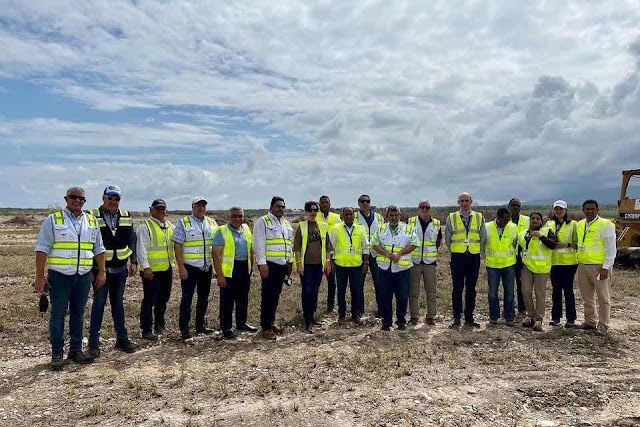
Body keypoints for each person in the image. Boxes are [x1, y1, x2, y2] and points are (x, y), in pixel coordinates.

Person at [35, 187, 106, 371]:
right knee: (58, 314)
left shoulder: (91, 220)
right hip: (59, 277)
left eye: (81, 198)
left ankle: (76, 350)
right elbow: (42, 248)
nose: (77, 201)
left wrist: (101, 271)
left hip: (83, 276)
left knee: (78, 313)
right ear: (66, 199)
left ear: (85, 201)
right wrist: (40, 276)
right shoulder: (53, 220)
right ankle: (57, 354)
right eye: (73, 197)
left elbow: (98, 248)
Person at [87, 185, 137, 357]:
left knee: (118, 305)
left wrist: (134, 261)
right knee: (99, 306)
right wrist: (93, 269)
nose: (114, 201)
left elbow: (132, 238)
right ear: (103, 198)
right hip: (101, 271)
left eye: (117, 199)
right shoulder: (91, 215)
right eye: (110, 198)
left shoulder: (125, 215)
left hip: (120, 270)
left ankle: (122, 339)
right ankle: (93, 344)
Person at [172, 196, 218, 340]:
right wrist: (181, 267)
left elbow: (217, 244)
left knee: (203, 298)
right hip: (190, 268)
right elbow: (177, 245)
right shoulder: (183, 222)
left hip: (206, 267)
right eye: (198, 205)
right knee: (187, 299)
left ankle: (200, 326)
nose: (201, 208)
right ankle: (184, 329)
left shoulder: (211, 222)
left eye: (203, 205)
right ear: (192, 207)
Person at [212, 207, 258, 340]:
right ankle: (226, 328)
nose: (237, 219)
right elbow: (215, 254)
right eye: (234, 216)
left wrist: (251, 268)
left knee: (243, 298)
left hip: (244, 268)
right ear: (229, 217)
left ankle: (241, 323)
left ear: (243, 217)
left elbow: (250, 249)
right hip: (229, 271)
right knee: (227, 301)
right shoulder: (222, 231)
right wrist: (219, 275)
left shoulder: (246, 229)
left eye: (240, 216)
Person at [253, 196, 294, 339]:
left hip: (283, 265)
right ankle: (265, 327)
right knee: (268, 296)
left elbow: (289, 244)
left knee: (276, 296)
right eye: (278, 206)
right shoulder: (263, 221)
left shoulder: (287, 224)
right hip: (269, 265)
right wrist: (262, 263)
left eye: (283, 206)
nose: (280, 209)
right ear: (271, 207)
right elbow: (258, 243)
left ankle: (271, 322)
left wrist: (290, 262)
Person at [371, 206, 418, 331]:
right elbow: (374, 244)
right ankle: (386, 322)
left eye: (396, 215)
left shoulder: (408, 228)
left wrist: (399, 254)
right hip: (384, 268)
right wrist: (387, 254)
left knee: (402, 296)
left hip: (402, 269)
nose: (394, 218)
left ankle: (401, 321)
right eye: (391, 215)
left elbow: (414, 243)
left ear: (400, 215)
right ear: (386, 216)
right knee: (385, 296)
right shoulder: (381, 229)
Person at [445, 192, 486, 328]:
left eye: (466, 200)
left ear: (471, 202)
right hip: (458, 256)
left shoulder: (479, 217)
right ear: (458, 203)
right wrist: (456, 250)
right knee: (457, 288)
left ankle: (469, 317)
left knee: (471, 288)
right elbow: (448, 238)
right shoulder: (451, 217)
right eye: (461, 201)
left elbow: (483, 236)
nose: (464, 203)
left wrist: (477, 250)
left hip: (473, 256)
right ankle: (456, 317)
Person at [575, 199, 616, 334]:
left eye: (592, 209)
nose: (590, 211)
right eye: (587, 209)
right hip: (583, 266)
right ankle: (590, 322)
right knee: (587, 297)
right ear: (583, 210)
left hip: (599, 267)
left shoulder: (606, 225)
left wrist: (606, 267)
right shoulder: (580, 224)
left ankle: (603, 325)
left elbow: (611, 248)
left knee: (603, 297)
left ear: (598, 210)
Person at [137, 199, 175, 340]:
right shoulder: (145, 227)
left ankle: (159, 323)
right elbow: (141, 249)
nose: (161, 211)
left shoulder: (169, 226)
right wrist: (146, 267)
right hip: (151, 271)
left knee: (163, 298)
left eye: (163, 209)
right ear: (151, 210)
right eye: (158, 208)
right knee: (149, 300)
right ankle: (146, 329)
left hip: (166, 269)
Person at [293, 201, 333, 333]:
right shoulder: (302, 226)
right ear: (306, 212)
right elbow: (297, 248)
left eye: (315, 210)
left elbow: (327, 247)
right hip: (306, 265)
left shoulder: (323, 226)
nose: (313, 212)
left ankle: (313, 317)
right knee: (307, 291)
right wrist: (299, 265)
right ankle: (307, 320)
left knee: (315, 291)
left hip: (318, 265)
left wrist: (327, 262)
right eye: (310, 210)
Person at [329, 207, 370, 326]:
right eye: (346, 214)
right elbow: (330, 247)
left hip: (356, 265)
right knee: (341, 291)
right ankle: (341, 314)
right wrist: (330, 263)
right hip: (340, 265)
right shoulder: (336, 229)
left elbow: (366, 247)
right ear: (342, 216)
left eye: (351, 214)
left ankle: (355, 314)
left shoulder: (361, 229)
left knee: (356, 291)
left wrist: (366, 263)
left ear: (354, 215)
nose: (348, 216)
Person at [519, 212, 557, 332]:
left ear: (541, 221)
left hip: (542, 268)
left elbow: (553, 245)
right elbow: (520, 248)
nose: (535, 220)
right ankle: (530, 315)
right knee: (525, 291)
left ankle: (539, 319)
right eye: (532, 218)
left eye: (537, 219)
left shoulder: (547, 231)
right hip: (527, 267)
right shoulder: (523, 234)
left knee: (540, 294)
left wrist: (541, 236)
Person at [406, 200, 442, 325]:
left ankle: (431, 316)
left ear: (430, 209)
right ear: (418, 208)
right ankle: (414, 316)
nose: (425, 209)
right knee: (413, 291)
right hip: (414, 262)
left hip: (430, 263)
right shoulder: (410, 222)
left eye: (427, 207)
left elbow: (438, 242)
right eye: (422, 207)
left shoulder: (436, 223)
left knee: (431, 291)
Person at [482, 207, 518, 327]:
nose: (507, 222)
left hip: (509, 265)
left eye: (508, 219)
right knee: (492, 293)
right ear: (498, 218)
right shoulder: (486, 227)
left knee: (509, 293)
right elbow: (482, 244)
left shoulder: (513, 227)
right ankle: (494, 316)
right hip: (492, 265)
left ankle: (509, 317)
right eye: (504, 219)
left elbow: (516, 244)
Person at [546, 200, 578, 328]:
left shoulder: (573, 224)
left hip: (569, 263)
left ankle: (571, 318)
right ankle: (556, 318)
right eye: (556, 209)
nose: (558, 211)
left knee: (568, 290)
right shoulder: (549, 223)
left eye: (561, 209)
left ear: (566, 210)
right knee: (556, 291)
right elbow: (548, 242)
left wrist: (564, 244)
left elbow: (576, 243)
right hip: (554, 263)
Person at [354, 194, 385, 318]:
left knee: (379, 283)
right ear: (359, 203)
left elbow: (383, 234)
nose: (365, 203)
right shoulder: (354, 217)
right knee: (358, 284)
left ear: (370, 203)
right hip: (361, 254)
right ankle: (359, 311)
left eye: (367, 201)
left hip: (376, 254)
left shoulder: (379, 217)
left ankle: (382, 310)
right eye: (362, 201)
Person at [317, 195, 342, 313]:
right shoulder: (315, 217)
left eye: (327, 202)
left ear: (330, 204)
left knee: (332, 282)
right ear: (319, 204)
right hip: (317, 254)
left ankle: (330, 306)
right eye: (322, 203)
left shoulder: (336, 218)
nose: (325, 204)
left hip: (331, 255)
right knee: (316, 282)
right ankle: (313, 307)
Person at [509, 198, 530, 317]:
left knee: (522, 284)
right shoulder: (505, 220)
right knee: (509, 285)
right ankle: (509, 309)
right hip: (509, 257)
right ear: (509, 207)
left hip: (522, 257)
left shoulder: (527, 220)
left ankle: (522, 309)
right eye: (513, 205)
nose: (515, 207)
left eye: (517, 205)